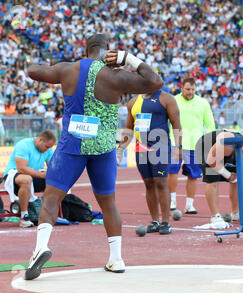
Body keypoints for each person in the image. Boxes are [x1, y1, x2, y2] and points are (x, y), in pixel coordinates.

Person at [24, 33, 163, 280]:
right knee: (108, 204)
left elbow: (33, 71)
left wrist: (50, 65)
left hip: (72, 145)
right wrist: (128, 58)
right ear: (109, 51)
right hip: (104, 148)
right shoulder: (117, 76)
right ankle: (116, 258)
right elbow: (155, 82)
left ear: (86, 48)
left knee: (52, 197)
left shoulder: (68, 69)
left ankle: (41, 247)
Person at [117, 89, 182, 235]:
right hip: (141, 148)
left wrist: (178, 146)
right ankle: (155, 221)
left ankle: (165, 222)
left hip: (161, 146)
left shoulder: (166, 98)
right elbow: (129, 127)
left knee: (161, 182)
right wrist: (121, 149)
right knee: (149, 184)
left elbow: (176, 123)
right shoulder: (133, 102)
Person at [168, 77, 216, 214]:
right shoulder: (173, 100)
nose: (190, 92)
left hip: (196, 144)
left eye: (193, 89)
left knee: (194, 175)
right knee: (171, 172)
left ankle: (189, 204)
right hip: (175, 143)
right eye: (188, 89)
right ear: (181, 88)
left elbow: (210, 123)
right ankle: (172, 200)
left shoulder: (203, 103)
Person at [195, 129, 243, 227]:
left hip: (231, 151)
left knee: (237, 179)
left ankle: (235, 213)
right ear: (241, 146)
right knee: (213, 180)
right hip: (207, 146)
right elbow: (210, 160)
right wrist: (227, 174)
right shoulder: (226, 145)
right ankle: (215, 216)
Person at [3, 130, 56, 228]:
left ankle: (49, 211)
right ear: (40, 140)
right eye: (47, 146)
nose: (48, 149)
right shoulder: (24, 145)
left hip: (34, 176)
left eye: (50, 147)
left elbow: (53, 168)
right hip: (15, 175)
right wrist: (42, 175)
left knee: (57, 181)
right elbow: (21, 168)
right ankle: (24, 216)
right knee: (27, 179)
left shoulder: (48, 150)